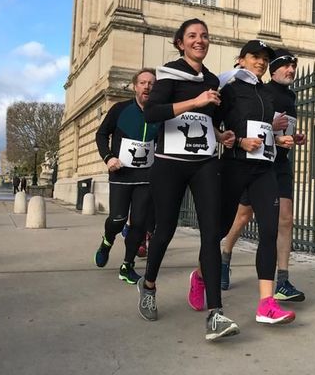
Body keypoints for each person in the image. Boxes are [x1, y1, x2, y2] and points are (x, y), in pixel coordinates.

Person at [136, 18, 239, 342]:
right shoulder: (169, 73)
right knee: (164, 229)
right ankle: (149, 284)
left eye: (205, 36)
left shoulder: (211, 79)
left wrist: (221, 134)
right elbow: (152, 113)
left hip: (205, 163)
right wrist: (194, 102)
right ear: (180, 42)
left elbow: (209, 119)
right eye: (193, 36)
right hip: (169, 164)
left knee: (211, 234)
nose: (200, 40)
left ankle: (215, 314)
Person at [215, 40, 296, 325]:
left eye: (264, 58)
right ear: (242, 59)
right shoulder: (229, 89)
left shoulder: (266, 93)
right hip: (235, 166)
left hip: (264, 169)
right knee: (221, 228)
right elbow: (211, 125)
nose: (260, 62)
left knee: (270, 230)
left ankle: (266, 304)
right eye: (255, 57)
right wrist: (236, 140)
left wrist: (280, 137)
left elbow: (264, 129)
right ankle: (202, 275)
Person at [94, 68, 158, 285]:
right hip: (122, 174)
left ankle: (127, 266)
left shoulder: (159, 113)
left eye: (151, 83)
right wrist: (108, 158)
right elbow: (101, 134)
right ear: (135, 86)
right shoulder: (120, 109)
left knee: (139, 223)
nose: (147, 86)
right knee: (118, 219)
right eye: (143, 82)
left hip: (146, 176)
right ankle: (107, 240)